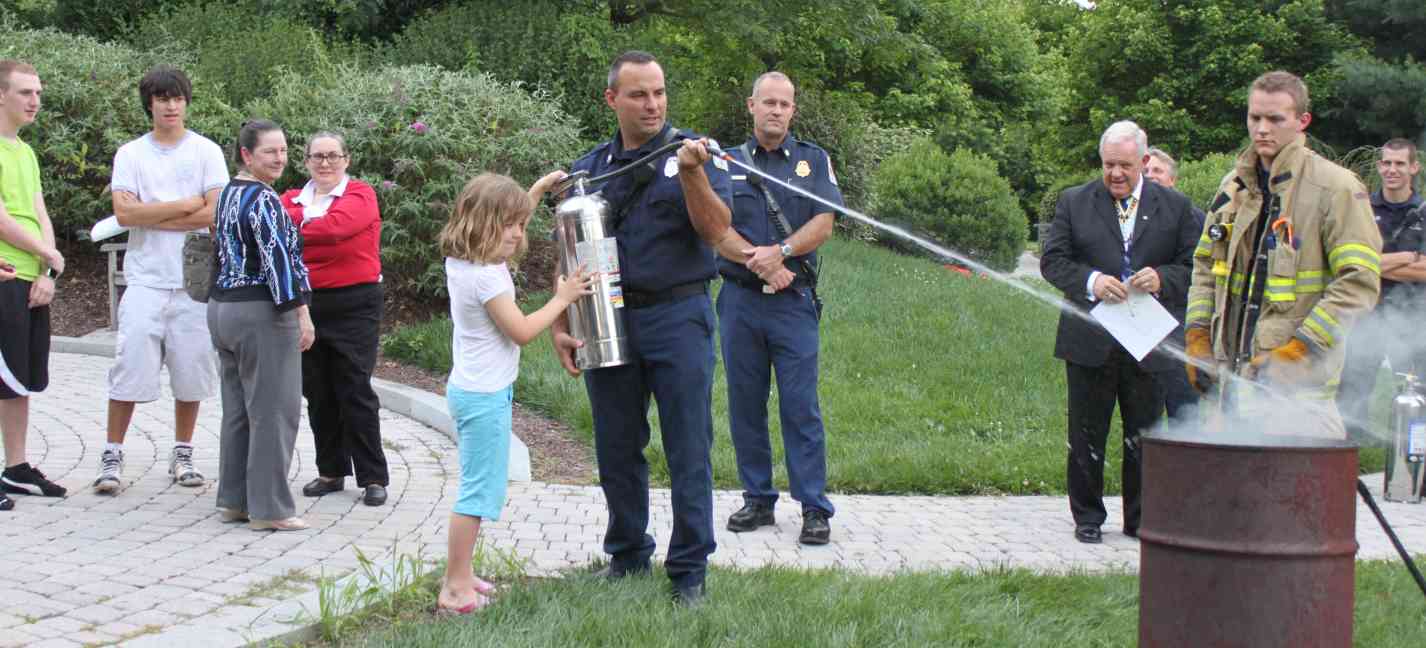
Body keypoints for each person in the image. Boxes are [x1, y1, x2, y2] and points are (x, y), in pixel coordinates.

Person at [550, 50, 732, 606]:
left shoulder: (693, 155)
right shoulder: (590, 167)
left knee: (688, 445)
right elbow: (567, 250)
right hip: (607, 316)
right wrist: (562, 321)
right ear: (612, 100)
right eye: (638, 94)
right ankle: (628, 554)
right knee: (616, 444)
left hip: (679, 314)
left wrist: (696, 174)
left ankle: (689, 570)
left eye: (658, 92)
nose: (652, 104)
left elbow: (717, 229)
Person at [1184, 71, 1382, 440]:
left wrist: (1300, 351)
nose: (1262, 129)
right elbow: (1205, 267)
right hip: (1226, 405)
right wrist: (1197, 335)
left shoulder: (1335, 189)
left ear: (1302, 121)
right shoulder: (1234, 187)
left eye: (1275, 119)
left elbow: (1359, 283)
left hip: (1296, 408)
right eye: (1254, 117)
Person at [687, 71, 840, 545]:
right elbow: (713, 227)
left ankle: (814, 507)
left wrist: (784, 252)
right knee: (745, 404)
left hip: (793, 303)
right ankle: (757, 499)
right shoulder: (723, 161)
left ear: (794, 111)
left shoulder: (813, 160)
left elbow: (824, 221)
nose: (776, 110)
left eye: (785, 104)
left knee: (800, 406)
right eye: (767, 102)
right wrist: (761, 262)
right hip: (740, 303)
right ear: (750, 105)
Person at [436, 172, 593, 615]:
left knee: (479, 488)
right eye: (512, 226)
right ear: (485, 224)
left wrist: (537, 192)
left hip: (474, 389)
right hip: (483, 396)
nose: (519, 235)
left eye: (522, 225)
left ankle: (462, 574)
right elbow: (522, 331)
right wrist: (563, 298)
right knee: (477, 494)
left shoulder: (465, 260)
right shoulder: (486, 279)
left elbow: (502, 217)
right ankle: (454, 589)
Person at [1040, 120, 1199, 544]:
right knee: (1086, 431)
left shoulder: (1176, 207)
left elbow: (1194, 266)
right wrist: (1092, 282)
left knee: (1144, 432)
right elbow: (1052, 260)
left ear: (1145, 163)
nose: (1115, 174)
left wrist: (1162, 278)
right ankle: (1088, 517)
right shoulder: (1075, 202)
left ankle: (1141, 517)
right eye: (1108, 165)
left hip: (1148, 341)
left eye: (1125, 166)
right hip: (1090, 339)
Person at [96, 65, 228, 494]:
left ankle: (183, 450)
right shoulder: (131, 154)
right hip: (146, 279)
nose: (171, 106)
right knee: (129, 365)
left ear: (186, 102)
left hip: (193, 280)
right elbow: (125, 215)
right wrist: (186, 206)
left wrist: (154, 213)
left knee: (191, 370)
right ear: (149, 104)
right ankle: (113, 452)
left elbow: (214, 213)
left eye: (177, 98)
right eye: (162, 99)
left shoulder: (206, 151)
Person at [208, 119, 315, 531]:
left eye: (284, 150)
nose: (280, 158)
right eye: (270, 151)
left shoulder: (227, 194)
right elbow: (278, 262)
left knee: (237, 410)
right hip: (261, 314)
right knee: (274, 411)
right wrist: (301, 314)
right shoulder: (265, 200)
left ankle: (235, 500)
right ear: (246, 155)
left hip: (222, 310)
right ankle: (271, 509)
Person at [280, 132, 390, 507]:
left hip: (355, 302)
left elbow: (339, 229)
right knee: (318, 391)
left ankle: (373, 476)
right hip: (307, 304)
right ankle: (331, 471)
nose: (325, 163)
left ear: (346, 159)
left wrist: (303, 225)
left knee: (354, 387)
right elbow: (282, 230)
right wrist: (314, 218)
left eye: (332, 156)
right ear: (306, 160)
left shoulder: (361, 194)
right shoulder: (289, 198)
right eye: (317, 156)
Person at [0, 60, 68, 510]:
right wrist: (47, 255)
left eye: (38, 93)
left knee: (18, 381)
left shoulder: (24, 151)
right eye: (25, 92)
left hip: (30, 278)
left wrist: (46, 270)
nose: (35, 101)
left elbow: (39, 211)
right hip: (5, 275)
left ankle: (16, 468)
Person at [1336, 138, 1425, 437]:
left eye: (1400, 163)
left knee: (1418, 400)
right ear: (1378, 166)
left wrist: (1375, 263)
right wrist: (1406, 258)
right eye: (1386, 163)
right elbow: (1348, 262)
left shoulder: (1424, 212)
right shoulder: (1362, 208)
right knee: (1351, 397)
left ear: (1414, 167)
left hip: (1412, 320)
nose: (1392, 169)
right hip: (1365, 316)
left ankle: (1413, 473)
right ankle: (1347, 471)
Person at [1145, 146, 1207, 421]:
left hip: (1179, 322)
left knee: (1182, 403)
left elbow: (1199, 270)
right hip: (1140, 324)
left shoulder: (1191, 217)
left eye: (1157, 171)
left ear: (1173, 179)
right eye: (1145, 171)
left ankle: (1186, 457)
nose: (1151, 176)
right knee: (1146, 408)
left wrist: (1162, 279)